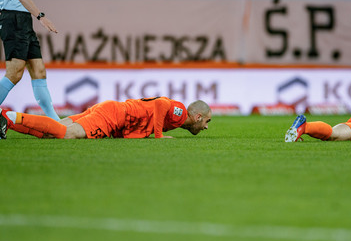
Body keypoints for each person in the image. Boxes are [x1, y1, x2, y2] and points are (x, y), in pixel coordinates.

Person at [0, 0, 59, 121]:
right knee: (15, 73)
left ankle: (55, 122)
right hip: (13, 19)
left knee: (38, 69)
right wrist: (41, 16)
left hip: (22, 20)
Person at [0, 97, 211, 140]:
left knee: (52, 131)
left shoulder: (177, 122)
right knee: (67, 134)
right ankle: (13, 115)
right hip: (114, 115)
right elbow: (161, 103)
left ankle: (7, 121)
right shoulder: (181, 112)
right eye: (207, 121)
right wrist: (158, 136)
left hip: (112, 110)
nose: (206, 127)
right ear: (198, 116)